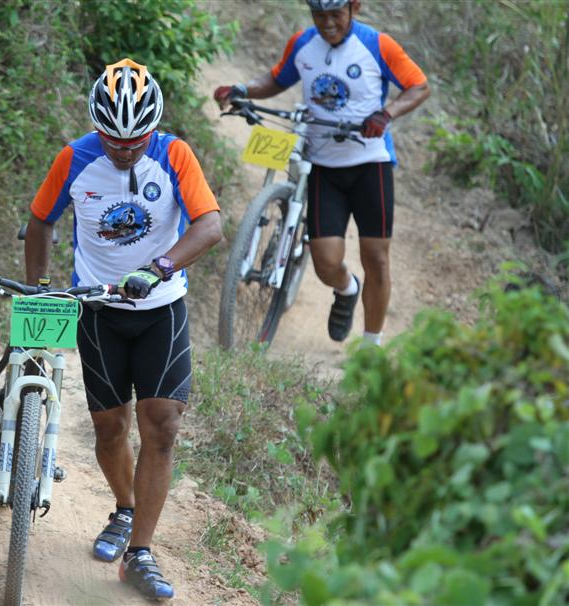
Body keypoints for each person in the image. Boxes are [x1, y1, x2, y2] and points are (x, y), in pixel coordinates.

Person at [24, 58, 222, 600]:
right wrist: (40, 289)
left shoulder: (174, 154)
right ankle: (124, 508)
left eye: (136, 141)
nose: (125, 150)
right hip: (97, 311)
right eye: (114, 140)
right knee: (111, 428)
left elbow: (210, 224)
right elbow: (40, 220)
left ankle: (141, 552)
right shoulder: (75, 158)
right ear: (97, 127)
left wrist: (160, 267)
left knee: (162, 425)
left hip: (161, 308)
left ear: (152, 129)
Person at [214, 0, 430, 346]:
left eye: (335, 14)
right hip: (323, 167)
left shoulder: (378, 45)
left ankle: (372, 346)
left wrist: (386, 114)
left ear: (354, 7)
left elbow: (418, 86)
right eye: (319, 15)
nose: (327, 23)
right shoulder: (303, 43)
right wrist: (241, 89)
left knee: (376, 258)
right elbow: (275, 79)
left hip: (370, 165)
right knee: (326, 263)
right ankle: (347, 289)